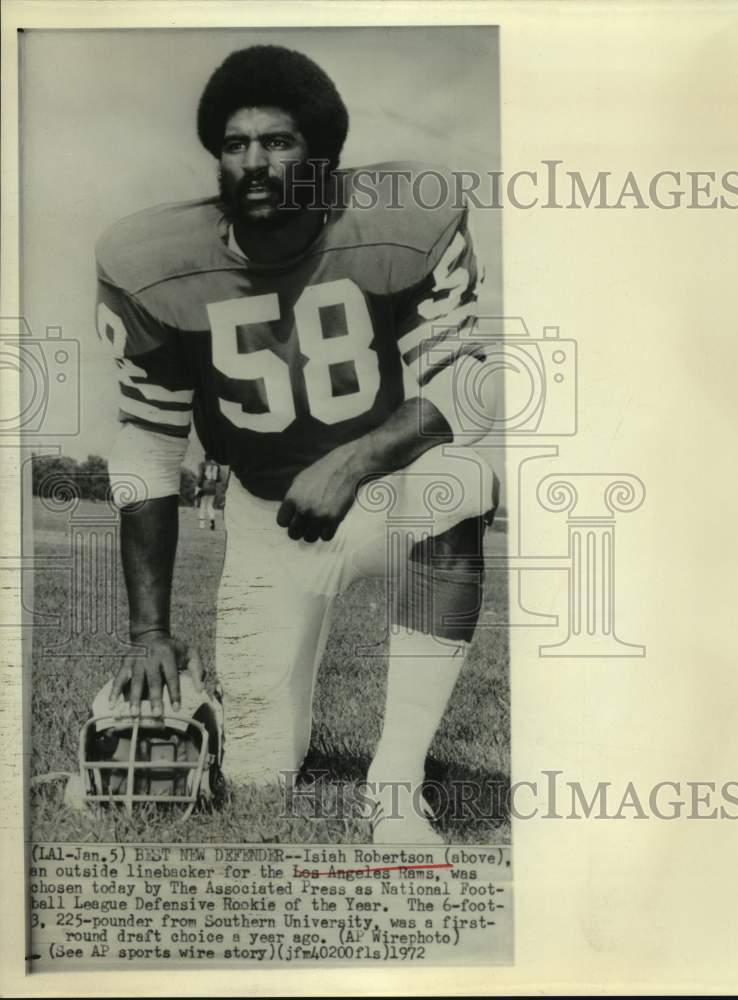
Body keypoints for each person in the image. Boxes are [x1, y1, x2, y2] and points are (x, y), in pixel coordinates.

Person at [97, 45, 499, 842]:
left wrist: (354, 462)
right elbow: (147, 446)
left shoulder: (402, 219)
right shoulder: (153, 263)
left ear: (321, 157)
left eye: (277, 142)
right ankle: (262, 729)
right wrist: (149, 632)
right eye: (236, 143)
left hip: (390, 498)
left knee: (458, 477)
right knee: (257, 772)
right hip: (267, 518)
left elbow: (469, 389)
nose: (254, 161)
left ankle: (393, 788)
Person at [194, 455, 222, 529]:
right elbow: (219, 479)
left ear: (205, 457)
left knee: (202, 505)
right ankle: (212, 519)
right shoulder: (217, 465)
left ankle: (201, 525)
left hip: (205, 486)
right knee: (210, 505)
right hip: (213, 487)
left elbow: (200, 476)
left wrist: (198, 486)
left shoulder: (202, 464)